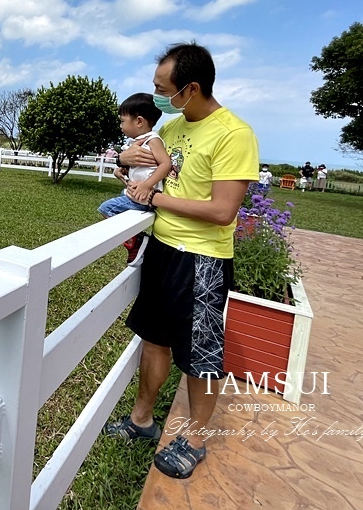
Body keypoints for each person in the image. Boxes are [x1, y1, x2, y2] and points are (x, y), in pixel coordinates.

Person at [104, 43, 258, 480]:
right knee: (154, 339)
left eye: (161, 88)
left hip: (203, 260)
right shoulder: (170, 128)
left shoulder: (233, 134)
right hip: (163, 249)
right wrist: (123, 161)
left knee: (199, 355)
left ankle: (193, 440)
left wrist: (155, 197)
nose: (155, 96)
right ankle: (142, 421)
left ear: (191, 88)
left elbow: (223, 210)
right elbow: (143, 165)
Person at [97, 94, 172, 265]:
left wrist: (147, 185)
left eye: (123, 121)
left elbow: (165, 164)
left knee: (105, 209)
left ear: (139, 121)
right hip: (135, 194)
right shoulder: (137, 142)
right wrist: (122, 171)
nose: (121, 125)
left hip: (143, 197)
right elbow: (141, 168)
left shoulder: (153, 140)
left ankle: (136, 241)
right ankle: (135, 241)